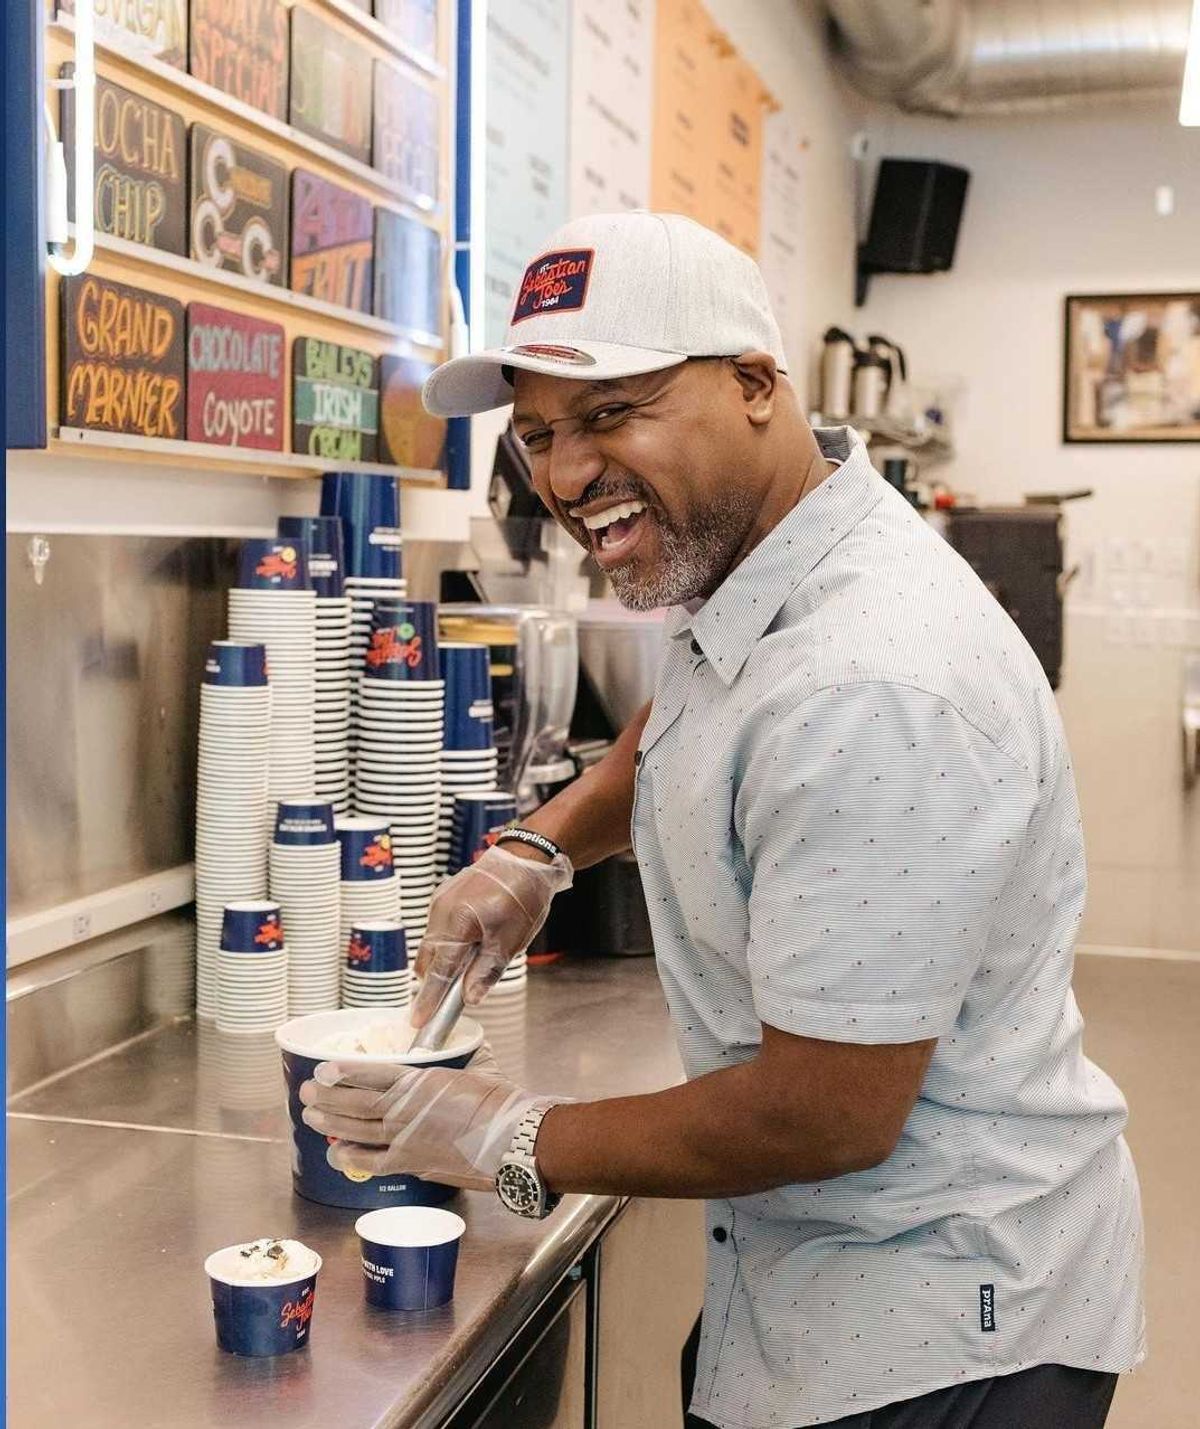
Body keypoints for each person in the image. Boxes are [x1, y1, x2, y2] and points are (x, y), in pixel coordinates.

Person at [299, 212, 1145, 1428]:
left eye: (610, 413)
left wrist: (503, 1130)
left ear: (756, 384)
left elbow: (824, 1112)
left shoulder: (874, 688)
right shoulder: (773, 560)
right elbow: (697, 703)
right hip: (810, 1284)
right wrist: (539, 850)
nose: (568, 471)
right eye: (538, 432)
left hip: (946, 1333)